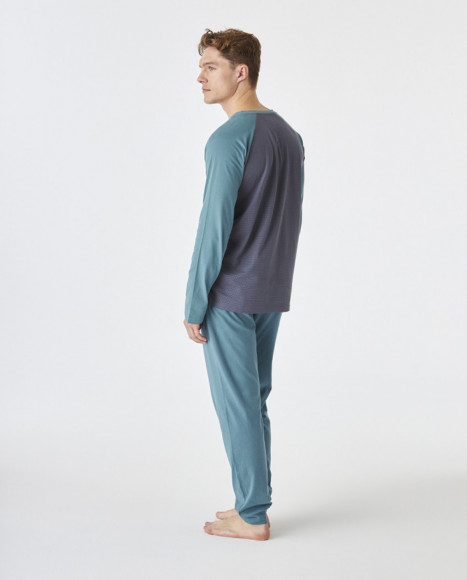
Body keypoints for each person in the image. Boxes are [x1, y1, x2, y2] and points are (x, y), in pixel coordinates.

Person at [183, 28, 305, 541]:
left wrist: (195, 302)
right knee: (253, 402)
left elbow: (213, 228)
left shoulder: (228, 139)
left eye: (210, 66)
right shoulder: (289, 136)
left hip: (231, 293)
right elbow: (289, 220)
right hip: (270, 290)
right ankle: (253, 503)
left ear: (241, 72)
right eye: (201, 66)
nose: (200, 76)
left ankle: (252, 514)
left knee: (239, 405)